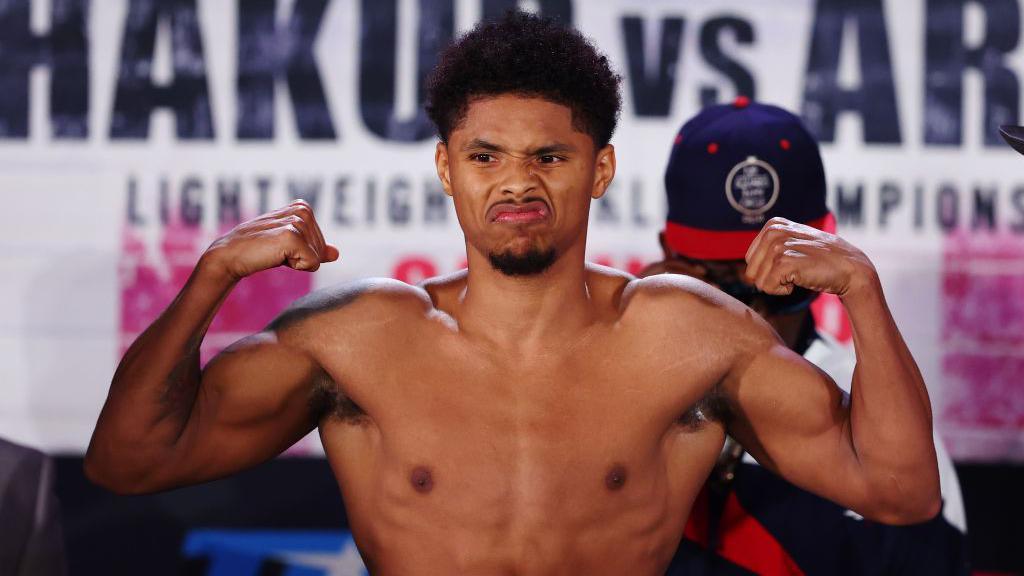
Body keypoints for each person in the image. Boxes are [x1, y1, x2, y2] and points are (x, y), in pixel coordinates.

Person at [85, 12, 941, 575]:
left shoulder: (686, 340)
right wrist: (211, 280)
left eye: (550, 157)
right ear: (446, 168)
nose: (517, 183)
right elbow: (130, 460)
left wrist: (862, 290)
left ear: (599, 168)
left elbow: (901, 492)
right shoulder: (357, 340)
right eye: (487, 156)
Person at [640, 99, 968, 576]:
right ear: (668, 257)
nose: (755, 309)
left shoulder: (885, 431)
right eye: (722, 282)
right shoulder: (616, 385)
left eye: (785, 281)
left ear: (826, 251)